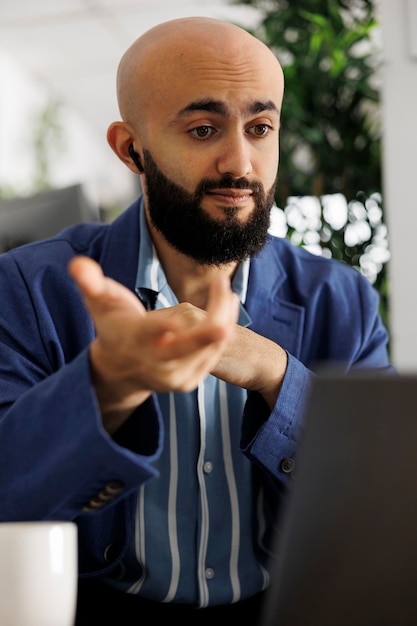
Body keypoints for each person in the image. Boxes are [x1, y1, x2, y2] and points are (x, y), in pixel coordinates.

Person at [0, 15, 393, 626]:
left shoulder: (340, 300)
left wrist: (275, 374)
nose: (240, 162)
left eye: (260, 128)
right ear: (132, 149)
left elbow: (382, 513)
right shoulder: (28, 289)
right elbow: (7, 495)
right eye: (204, 129)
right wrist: (108, 383)